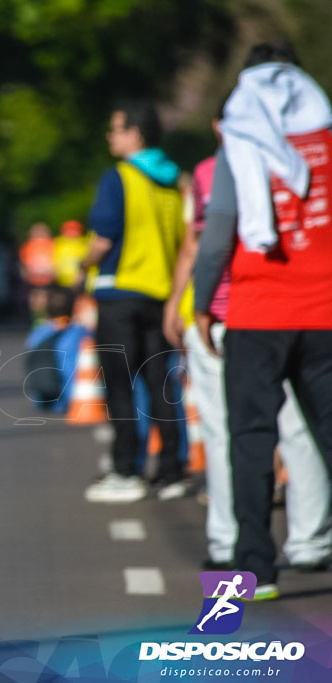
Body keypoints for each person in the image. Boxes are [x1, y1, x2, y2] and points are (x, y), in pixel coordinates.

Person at [165, 97, 331, 576]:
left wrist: (189, 304)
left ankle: (237, 549)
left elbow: (204, 242)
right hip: (316, 313)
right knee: (305, 433)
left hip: (239, 315)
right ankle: (311, 541)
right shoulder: (319, 155)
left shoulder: (213, 167)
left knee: (234, 436)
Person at [80, 100, 185, 503]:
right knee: (161, 383)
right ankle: (172, 472)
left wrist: (80, 264)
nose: (111, 136)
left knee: (120, 385)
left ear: (135, 134)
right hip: (162, 295)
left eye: (116, 129)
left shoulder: (119, 177)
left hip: (120, 292)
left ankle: (126, 471)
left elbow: (103, 238)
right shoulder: (173, 180)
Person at [23, 283, 91, 414]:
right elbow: (71, 372)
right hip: (68, 399)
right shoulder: (77, 333)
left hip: (42, 396)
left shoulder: (39, 332)